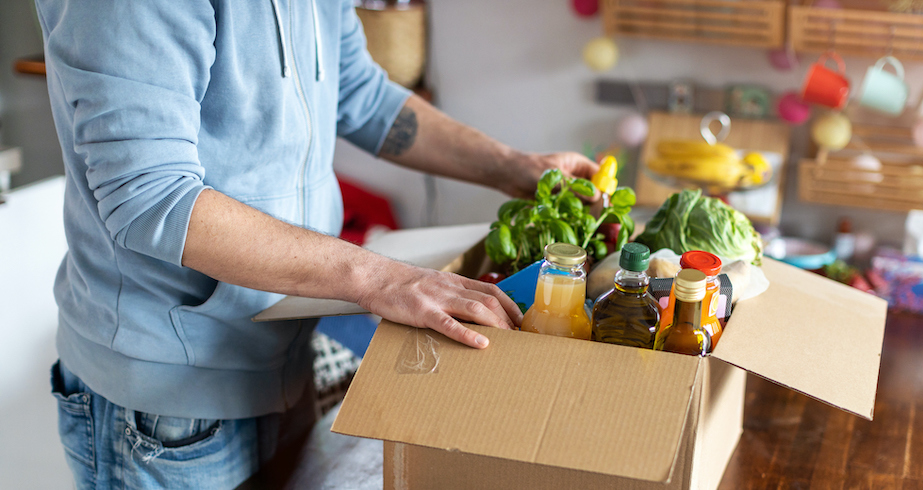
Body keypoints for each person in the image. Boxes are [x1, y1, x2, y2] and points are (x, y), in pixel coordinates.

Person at [37, 1, 598, 488]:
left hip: (283, 350)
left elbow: (359, 93)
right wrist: (385, 279)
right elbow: (150, 196)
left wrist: (515, 168)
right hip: (167, 399)